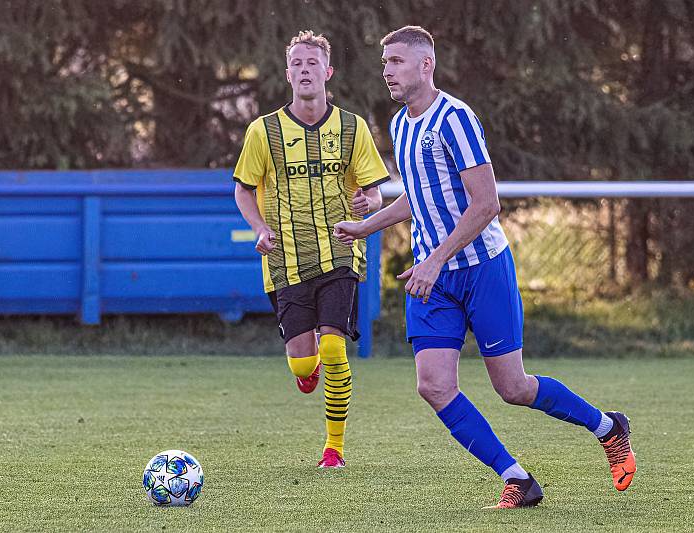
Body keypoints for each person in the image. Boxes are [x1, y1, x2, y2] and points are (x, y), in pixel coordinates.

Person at [333, 26, 635, 507]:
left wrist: (433, 260)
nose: (386, 70)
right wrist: (366, 226)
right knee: (432, 385)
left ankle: (608, 427)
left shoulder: (455, 119)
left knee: (513, 387)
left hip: (482, 269)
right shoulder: (399, 125)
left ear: (425, 65)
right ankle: (518, 478)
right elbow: (421, 195)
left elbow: (486, 204)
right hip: (433, 277)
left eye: (396, 61)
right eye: (385, 62)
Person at [233, 30, 390, 468]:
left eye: (312, 63)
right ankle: (309, 368)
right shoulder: (263, 131)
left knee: (336, 348)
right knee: (304, 366)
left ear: (327, 71)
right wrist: (259, 227)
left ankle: (334, 449)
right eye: (297, 64)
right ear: (288, 74)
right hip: (285, 260)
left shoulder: (352, 127)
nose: (305, 70)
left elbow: (375, 193)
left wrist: (368, 204)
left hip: (341, 250)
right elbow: (243, 191)